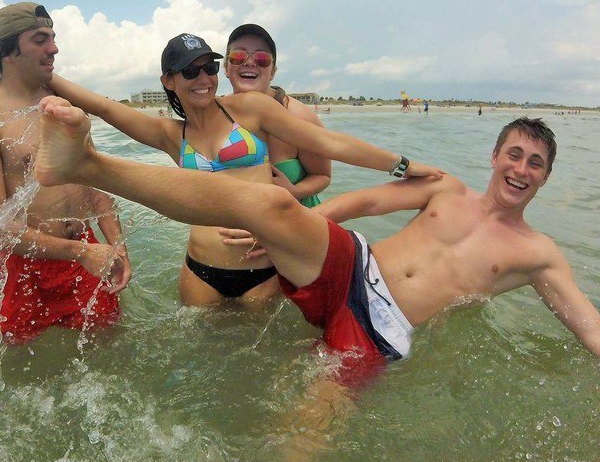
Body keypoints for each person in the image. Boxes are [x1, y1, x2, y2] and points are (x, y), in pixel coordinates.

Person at [35, 100, 600, 405]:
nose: (521, 169)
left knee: (308, 429)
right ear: (495, 156)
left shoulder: (539, 253)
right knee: (274, 205)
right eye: (515, 155)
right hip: (353, 268)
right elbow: (360, 202)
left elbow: (594, 328)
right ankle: (87, 163)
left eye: (536, 164)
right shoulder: (446, 188)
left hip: (380, 327)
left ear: (546, 178)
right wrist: (294, 229)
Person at [49, 34, 442, 307]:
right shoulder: (170, 134)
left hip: (265, 267)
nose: (203, 79)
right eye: (190, 72)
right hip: (200, 269)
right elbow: (103, 107)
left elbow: (330, 143)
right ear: (168, 81)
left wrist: (402, 165)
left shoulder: (250, 108)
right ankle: (81, 164)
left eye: (209, 68)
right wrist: (40, 71)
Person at [0, 2, 131, 344]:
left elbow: (94, 184)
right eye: (40, 39)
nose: (54, 48)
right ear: (8, 51)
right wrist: (82, 253)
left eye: (53, 37)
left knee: (109, 343)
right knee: (18, 364)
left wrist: (118, 246)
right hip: (21, 269)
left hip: (85, 253)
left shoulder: (65, 105)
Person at [224, 24, 330, 207]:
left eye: (262, 58)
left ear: (272, 72)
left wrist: (295, 191)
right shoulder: (216, 115)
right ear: (226, 67)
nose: (249, 62)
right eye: (238, 56)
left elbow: (323, 175)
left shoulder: (299, 117)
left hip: (300, 217)